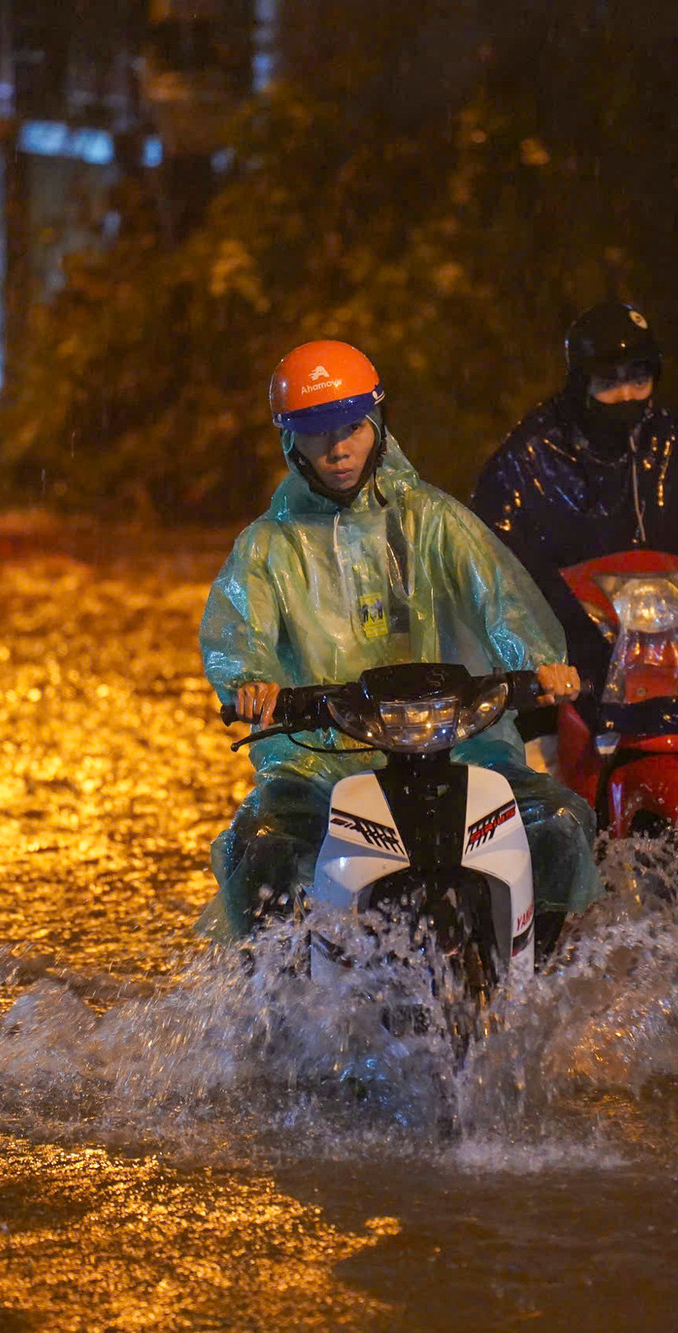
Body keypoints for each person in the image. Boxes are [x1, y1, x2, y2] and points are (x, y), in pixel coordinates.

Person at [200, 339, 602, 941]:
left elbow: (499, 596)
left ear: (378, 423)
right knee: (260, 847)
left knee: (561, 821)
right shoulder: (267, 546)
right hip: (320, 763)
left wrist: (541, 663)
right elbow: (240, 631)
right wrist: (249, 683)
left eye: (352, 427)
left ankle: (539, 963)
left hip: (455, 749)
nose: (338, 449)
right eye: (316, 432)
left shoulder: (433, 520)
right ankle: (274, 998)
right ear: (289, 440)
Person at [469, 300, 678, 776]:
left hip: (670, 659)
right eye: (609, 382)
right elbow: (492, 551)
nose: (628, 395)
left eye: (639, 378)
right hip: (573, 666)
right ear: (580, 383)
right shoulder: (532, 454)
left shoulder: (671, 439)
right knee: (537, 790)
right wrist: (550, 629)